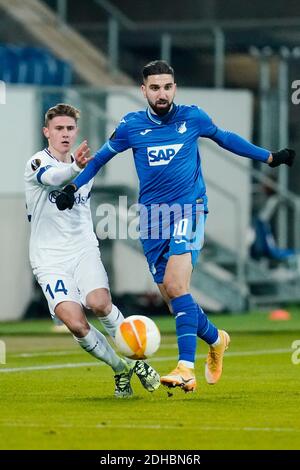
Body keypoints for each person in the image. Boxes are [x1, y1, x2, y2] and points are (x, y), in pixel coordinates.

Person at [55, 61, 295, 393]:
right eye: (155, 88)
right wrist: (72, 188)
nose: (162, 93)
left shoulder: (192, 117)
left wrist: (270, 157)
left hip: (190, 209)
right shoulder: (131, 126)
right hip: (152, 219)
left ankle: (186, 367)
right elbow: (99, 160)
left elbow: (225, 138)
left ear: (174, 87)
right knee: (172, 298)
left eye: (167, 86)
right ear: (144, 91)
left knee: (176, 285)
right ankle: (216, 338)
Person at [24, 103, 160, 398]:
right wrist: (75, 168)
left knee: (99, 302)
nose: (64, 134)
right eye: (58, 128)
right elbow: (54, 178)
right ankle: (120, 369)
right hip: (48, 259)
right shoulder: (37, 163)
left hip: (83, 248)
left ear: (76, 132)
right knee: (74, 322)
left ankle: (139, 363)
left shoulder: (87, 165)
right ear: (46, 132)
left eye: (70, 129)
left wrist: (80, 167)